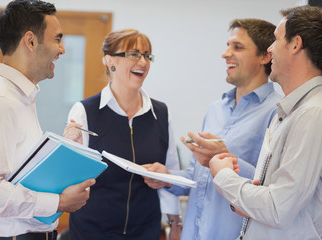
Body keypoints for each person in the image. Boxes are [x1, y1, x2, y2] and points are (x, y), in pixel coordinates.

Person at [0, 1, 95, 239]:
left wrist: (61, 149)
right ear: (31, 41)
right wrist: (58, 202)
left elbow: (18, 173)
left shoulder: (21, 98)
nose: (62, 49)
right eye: (57, 39)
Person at [143, 19, 282, 239]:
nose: (225, 54)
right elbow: (198, 177)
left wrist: (225, 159)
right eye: (228, 45)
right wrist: (168, 178)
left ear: (265, 56)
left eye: (237, 47)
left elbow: (274, 189)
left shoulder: (277, 112)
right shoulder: (215, 109)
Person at [209, 6, 322, 239]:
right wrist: (246, 197)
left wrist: (224, 177)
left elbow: (278, 209)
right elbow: (277, 197)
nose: (270, 50)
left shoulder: (313, 113)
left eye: (276, 40)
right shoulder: (290, 111)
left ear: (295, 44)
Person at [66, 28, 181, 240]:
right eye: (134, 54)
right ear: (110, 61)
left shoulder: (161, 113)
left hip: (145, 231)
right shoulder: (84, 111)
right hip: (91, 231)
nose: (143, 62)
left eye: (147, 56)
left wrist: (175, 223)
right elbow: (71, 180)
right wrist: (66, 150)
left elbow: (170, 173)